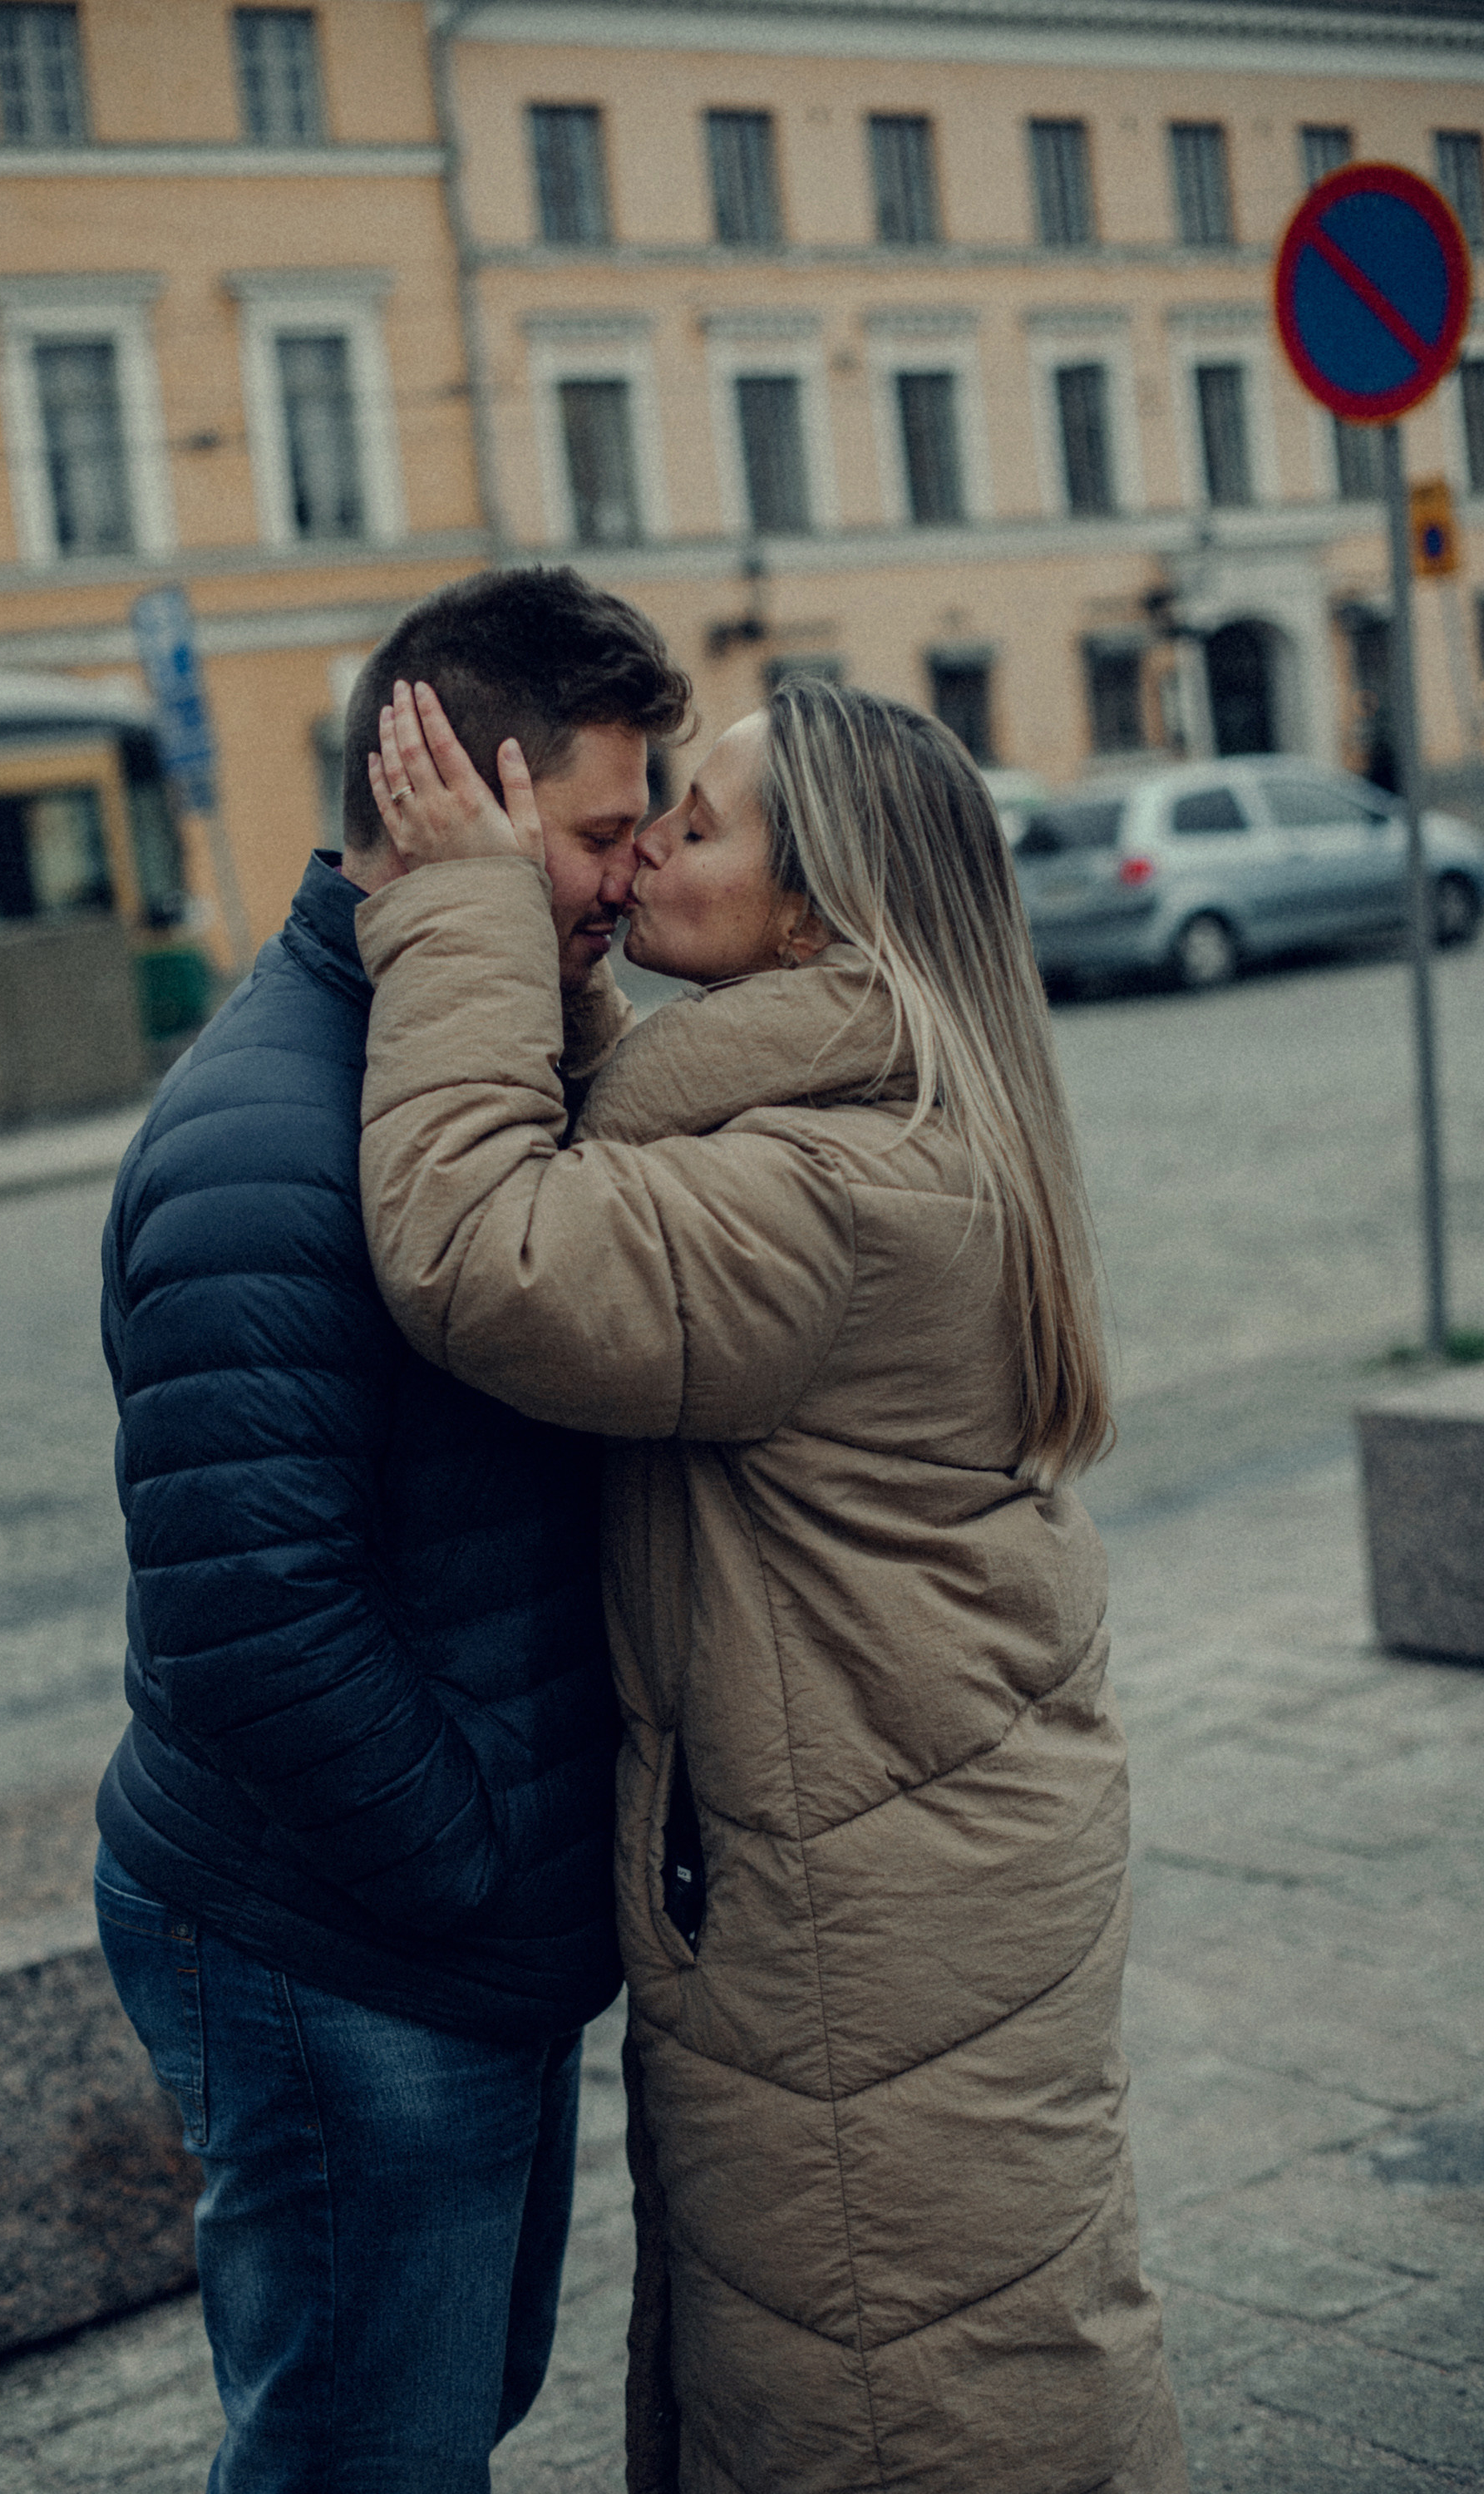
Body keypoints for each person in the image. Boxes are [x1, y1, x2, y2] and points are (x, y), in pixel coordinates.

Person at [352, 675, 1188, 2494]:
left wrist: (463, 918)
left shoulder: (821, 1191)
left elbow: (482, 1249)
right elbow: (621, 1173)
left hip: (869, 1923)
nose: (647, 845)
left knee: (892, 2397)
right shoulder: (886, 1106)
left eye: (698, 825)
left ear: (814, 912)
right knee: (956, 2344)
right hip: (914, 1867)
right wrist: (560, 973)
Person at [93, 566, 691, 2492]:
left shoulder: (464, 1065)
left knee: (436, 2413)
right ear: (463, 799)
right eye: (603, 832)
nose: (634, 878)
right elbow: (253, 1617)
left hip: (440, 1937)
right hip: (344, 1939)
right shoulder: (270, 1136)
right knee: (363, 2453)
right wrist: (470, 1863)